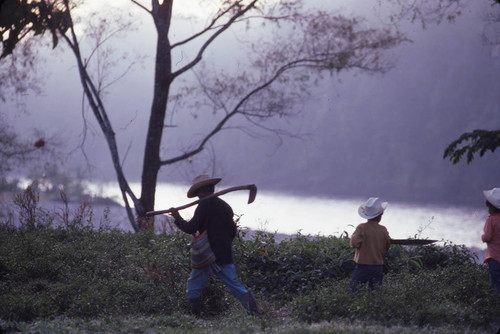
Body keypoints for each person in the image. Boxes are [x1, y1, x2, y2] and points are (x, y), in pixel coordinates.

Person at [168, 174, 258, 316]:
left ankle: (195, 318)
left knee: (193, 286)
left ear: (201, 191)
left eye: (198, 193)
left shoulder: (203, 205)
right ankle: (255, 314)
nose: (197, 196)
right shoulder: (225, 206)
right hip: (224, 255)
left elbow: (191, 228)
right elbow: (232, 232)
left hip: (207, 256)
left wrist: (177, 217)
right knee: (235, 286)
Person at [349, 197, 391, 291]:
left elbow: (354, 243)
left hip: (363, 266)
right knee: (376, 293)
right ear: (381, 215)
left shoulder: (361, 228)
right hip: (378, 266)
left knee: (353, 291)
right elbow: (387, 246)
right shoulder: (383, 230)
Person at [482, 187, 500, 293]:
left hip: (495, 258)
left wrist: (483, 237)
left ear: (492, 208)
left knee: (494, 284)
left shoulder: (491, 220)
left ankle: (494, 305)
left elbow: (487, 236)